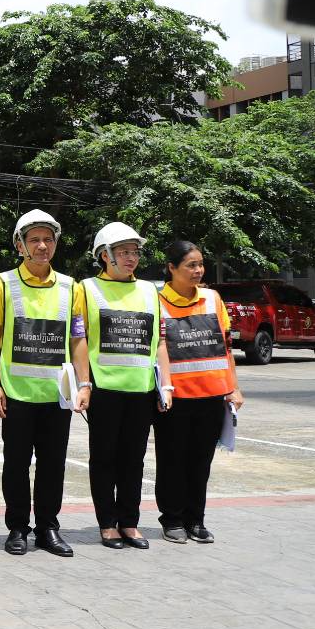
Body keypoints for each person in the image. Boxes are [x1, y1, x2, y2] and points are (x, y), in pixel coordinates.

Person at [0, 210, 89, 557]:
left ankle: (47, 528)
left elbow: (77, 339)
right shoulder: (2, 284)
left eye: (48, 239)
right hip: (17, 393)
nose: (42, 246)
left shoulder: (71, 287)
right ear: (20, 245)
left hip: (57, 394)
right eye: (34, 240)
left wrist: (84, 384)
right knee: (15, 463)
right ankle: (17, 528)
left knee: (53, 464)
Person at [79, 221, 172, 549]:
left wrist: (166, 386)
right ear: (105, 255)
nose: (131, 258)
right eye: (123, 252)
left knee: (134, 460)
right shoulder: (87, 289)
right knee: (104, 458)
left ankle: (130, 523)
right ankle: (107, 523)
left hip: (141, 390)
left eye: (135, 252)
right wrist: (83, 383)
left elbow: (159, 341)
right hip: (104, 389)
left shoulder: (149, 291)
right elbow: (79, 340)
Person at [155, 239, 243, 544]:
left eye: (201, 264)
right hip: (175, 398)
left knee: (201, 461)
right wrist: (164, 388)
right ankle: (172, 519)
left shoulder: (212, 298)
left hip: (211, 396)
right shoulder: (157, 301)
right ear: (171, 268)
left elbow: (226, 347)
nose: (198, 270)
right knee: (172, 460)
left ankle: (196, 519)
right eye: (191, 265)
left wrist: (233, 388)